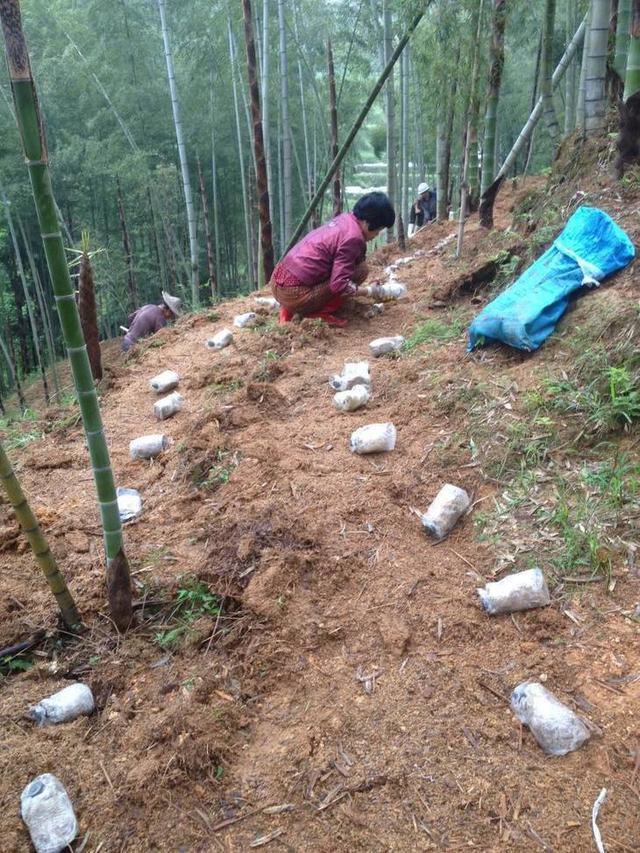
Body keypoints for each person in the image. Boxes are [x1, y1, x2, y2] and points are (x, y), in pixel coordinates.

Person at [271, 191, 395, 327]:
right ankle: (318, 313)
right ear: (367, 222)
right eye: (378, 230)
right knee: (360, 271)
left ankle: (289, 307)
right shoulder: (353, 238)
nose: (377, 235)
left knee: (355, 268)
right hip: (294, 293)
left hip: (279, 281)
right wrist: (372, 291)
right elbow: (339, 285)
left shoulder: (345, 220)